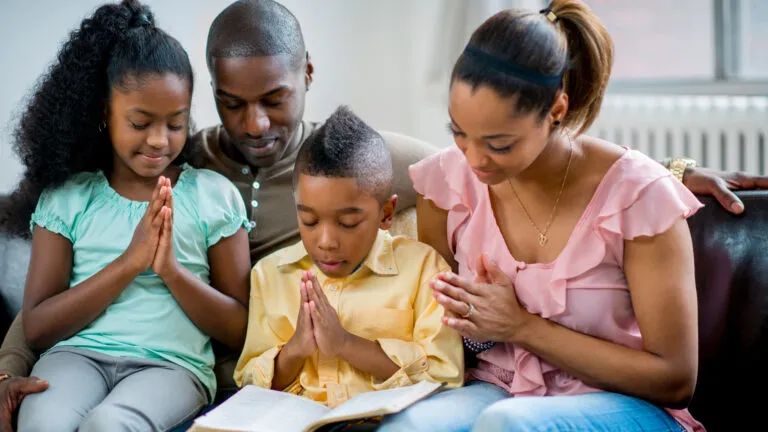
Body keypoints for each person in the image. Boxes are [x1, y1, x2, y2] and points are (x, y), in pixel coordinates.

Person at [0, 0, 764, 427]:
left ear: (306, 75)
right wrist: (10, 362)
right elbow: (63, 249)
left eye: (273, 101)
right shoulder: (184, 166)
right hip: (266, 377)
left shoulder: (377, 159)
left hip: (392, 379)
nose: (256, 125)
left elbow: (538, 153)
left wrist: (665, 174)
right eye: (233, 106)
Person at [378, 1, 705, 431]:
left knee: (507, 424)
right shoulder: (445, 182)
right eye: (458, 133)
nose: (475, 159)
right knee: (411, 426)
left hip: (623, 405)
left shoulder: (639, 198)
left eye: (499, 144)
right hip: (499, 387)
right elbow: (444, 333)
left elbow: (675, 379)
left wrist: (522, 326)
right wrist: (472, 322)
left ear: (556, 110)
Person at [7, 1, 252, 430]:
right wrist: (129, 263)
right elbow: (39, 327)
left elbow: (240, 328)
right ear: (106, 112)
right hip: (76, 356)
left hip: (171, 367)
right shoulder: (68, 199)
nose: (159, 140)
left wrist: (170, 270)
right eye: (140, 123)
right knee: (42, 421)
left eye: (175, 124)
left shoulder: (214, 196)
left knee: (109, 425)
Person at [234, 106, 463, 408]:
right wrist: (295, 350)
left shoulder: (423, 270)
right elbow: (248, 382)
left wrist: (346, 345)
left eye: (348, 224)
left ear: (386, 213)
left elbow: (446, 376)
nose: (326, 242)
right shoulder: (270, 274)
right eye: (310, 222)